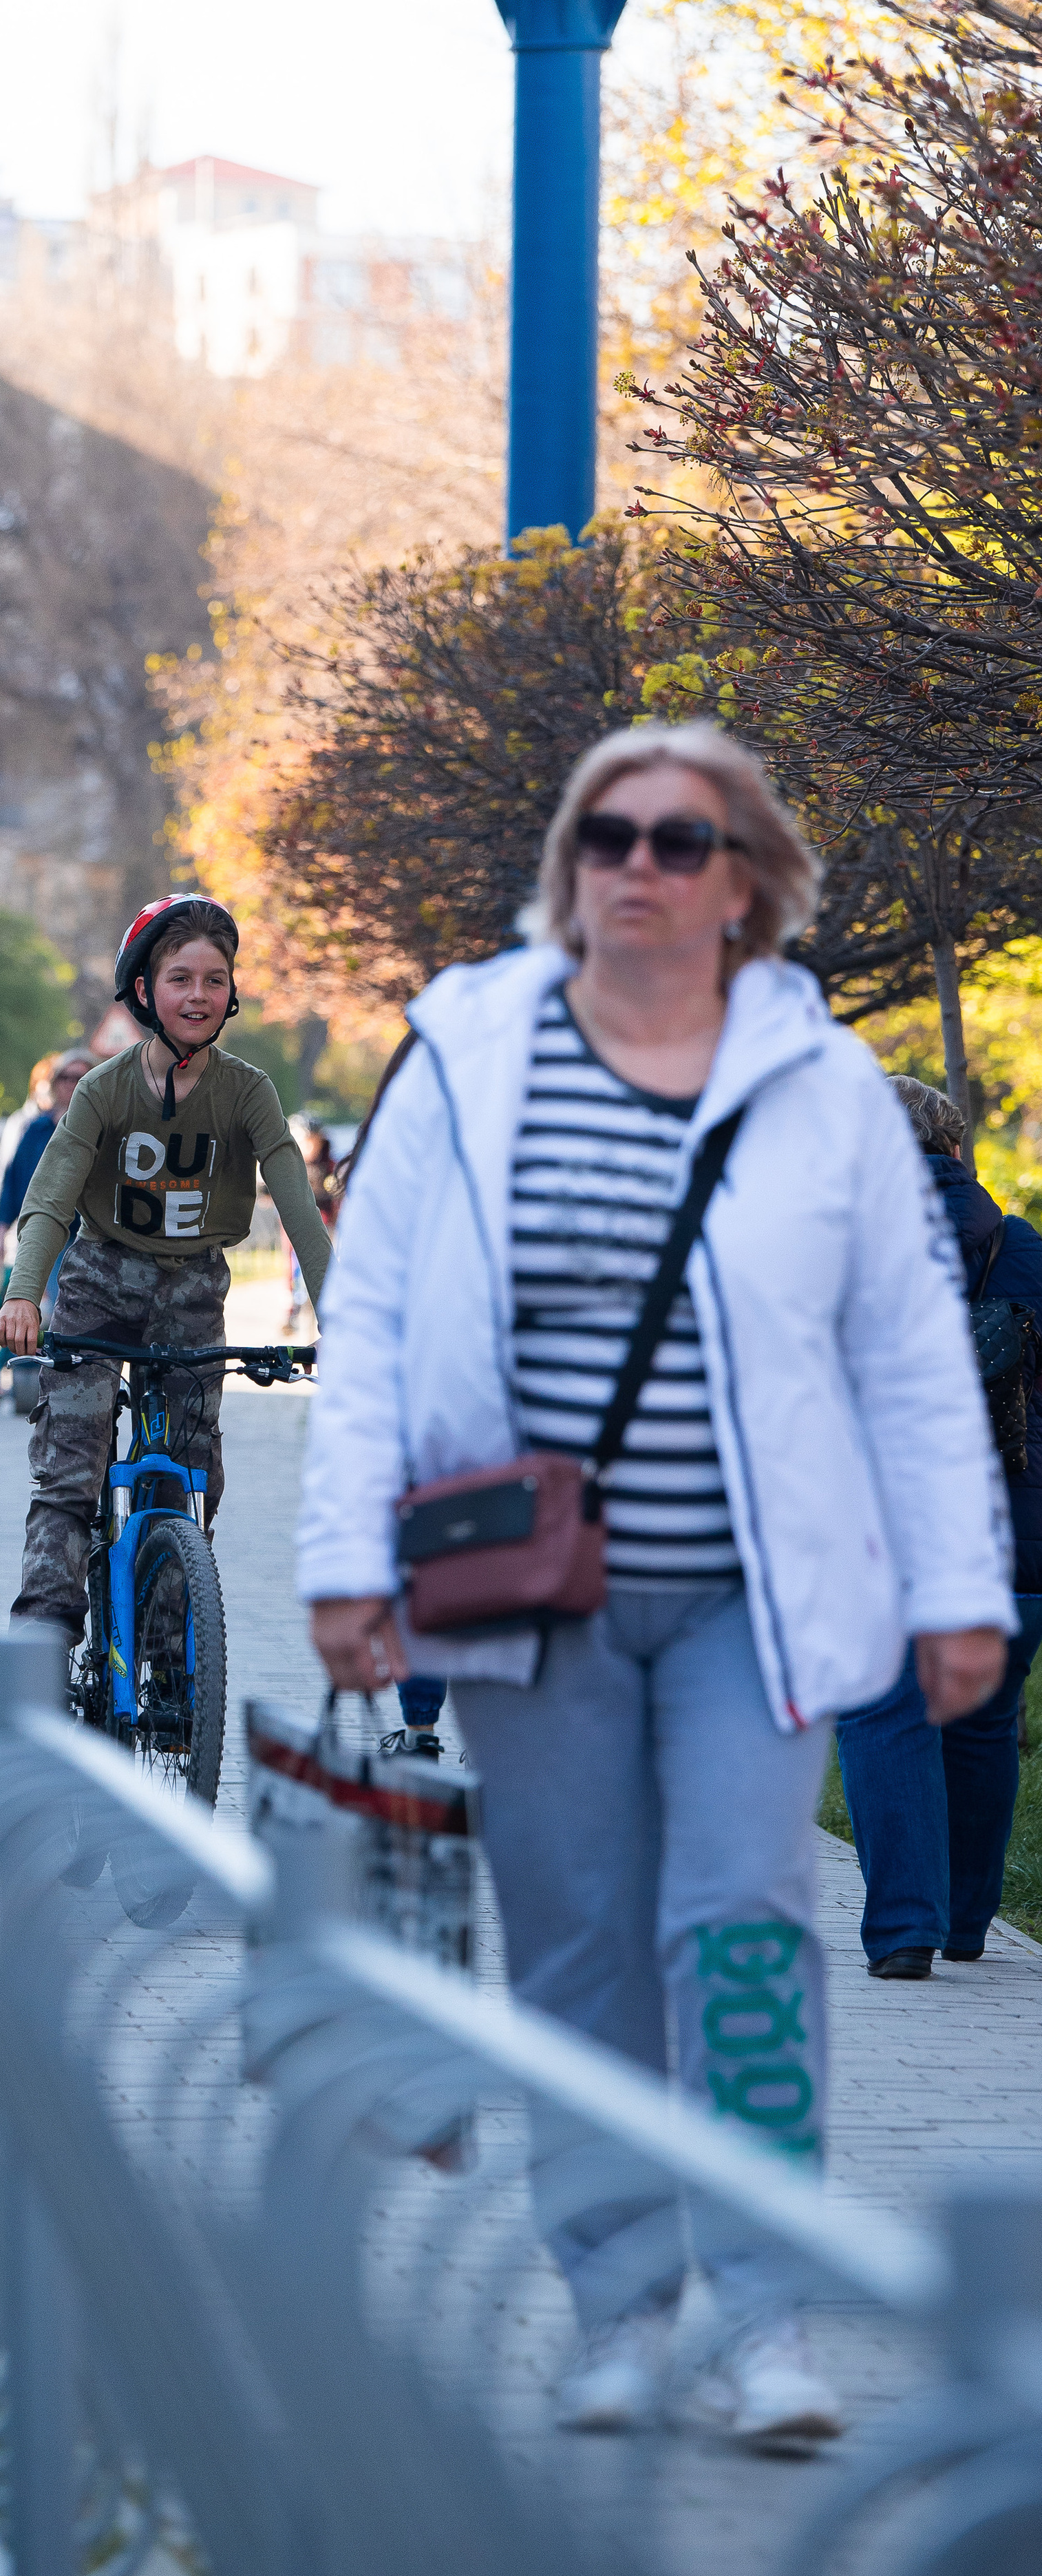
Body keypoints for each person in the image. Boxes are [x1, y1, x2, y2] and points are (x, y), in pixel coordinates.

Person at [297, 719, 1011, 2451]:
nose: (636, 861)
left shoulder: (817, 1085)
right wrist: (339, 1555)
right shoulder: (469, 1052)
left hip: (745, 1598)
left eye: (677, 839)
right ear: (569, 863)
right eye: (606, 833)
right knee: (577, 1947)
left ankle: (764, 2321)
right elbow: (375, 1318)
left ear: (744, 879)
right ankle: (619, 2306)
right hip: (518, 1587)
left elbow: (908, 1351)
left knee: (743, 1924)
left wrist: (953, 1580)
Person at [0, 894, 334, 1637]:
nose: (199, 995)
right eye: (180, 978)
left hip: (192, 1295)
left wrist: (335, 1311)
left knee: (191, 1480)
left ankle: (173, 1665)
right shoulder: (103, 1089)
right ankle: (42, 1650)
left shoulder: (247, 1091)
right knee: (70, 1473)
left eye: (215, 979)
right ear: (145, 991)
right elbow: (52, 1198)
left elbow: (298, 1206)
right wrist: (24, 1295)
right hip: (98, 1291)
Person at [834, 1075, 1042, 1976]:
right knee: (987, 1719)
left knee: (887, 1711)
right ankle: (966, 1922)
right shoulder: (1025, 1246)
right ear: (954, 1146)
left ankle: (907, 1929)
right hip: (1016, 1526)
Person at [0, 1048, 94, 1413]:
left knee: (63, 1310)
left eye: (82, 1078)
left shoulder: (106, 1129)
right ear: (55, 1084)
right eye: (67, 1078)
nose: (74, 1086)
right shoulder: (36, 1129)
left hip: (88, 1236)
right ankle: (9, 1373)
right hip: (42, 1234)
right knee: (21, 1302)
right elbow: (13, 1182)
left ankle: (33, 1377)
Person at [284, 1112, 339, 1331]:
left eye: (313, 1140)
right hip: (295, 1224)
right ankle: (294, 1305)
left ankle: (329, 1307)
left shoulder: (329, 1163)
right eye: (304, 1141)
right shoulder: (289, 1163)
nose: (309, 1146)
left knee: (325, 1264)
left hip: (325, 1222)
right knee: (294, 1266)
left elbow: (342, 1182)